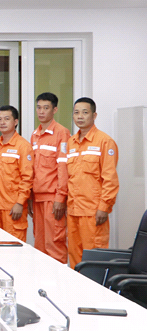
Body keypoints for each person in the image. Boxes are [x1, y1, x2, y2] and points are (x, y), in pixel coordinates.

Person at [67, 97, 119, 268]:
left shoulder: (104, 141)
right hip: (74, 210)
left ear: (94, 115)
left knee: (94, 259)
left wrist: (104, 207)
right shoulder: (71, 143)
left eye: (85, 112)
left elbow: (110, 179)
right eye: (76, 112)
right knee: (75, 257)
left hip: (93, 212)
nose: (80, 116)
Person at [30, 93, 70, 264]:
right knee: (39, 246)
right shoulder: (35, 134)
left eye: (46, 108)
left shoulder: (62, 133)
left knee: (54, 243)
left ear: (55, 110)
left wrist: (60, 198)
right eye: (39, 107)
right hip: (38, 198)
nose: (41, 111)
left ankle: (58, 286)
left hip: (53, 199)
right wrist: (30, 197)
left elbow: (63, 167)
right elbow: (32, 169)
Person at [0, 105, 34, 241]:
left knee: (13, 249)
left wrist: (20, 203)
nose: (2, 122)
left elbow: (27, 178)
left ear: (15, 122)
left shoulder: (23, 146)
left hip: (13, 207)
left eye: (6, 119)